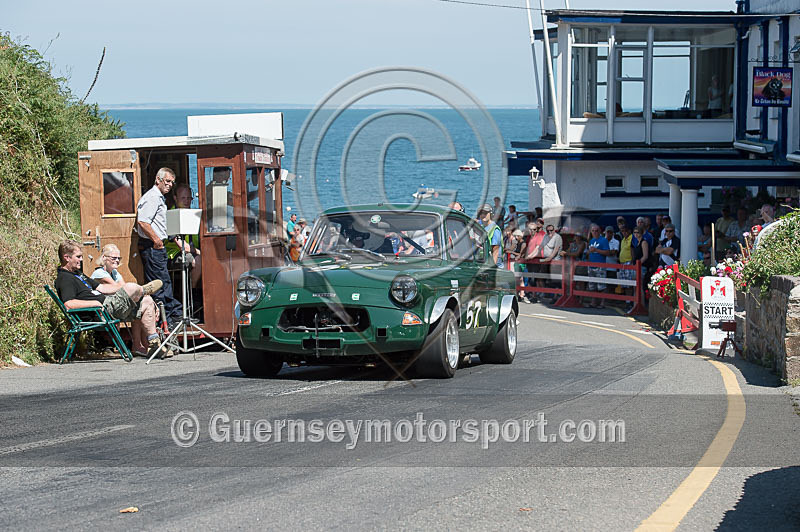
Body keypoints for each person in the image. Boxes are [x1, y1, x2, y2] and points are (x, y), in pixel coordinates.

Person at [56, 240, 166, 358]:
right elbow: (69, 304)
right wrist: (94, 303)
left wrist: (125, 289)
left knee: (147, 301)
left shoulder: (78, 274)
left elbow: (102, 287)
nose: (81, 260)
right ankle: (141, 290)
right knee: (130, 287)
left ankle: (154, 343)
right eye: (78, 257)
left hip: (108, 307)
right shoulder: (65, 278)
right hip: (101, 311)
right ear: (66, 257)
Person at [90, 243, 163, 356]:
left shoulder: (115, 273)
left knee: (146, 302)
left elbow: (125, 292)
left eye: (119, 258)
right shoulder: (99, 273)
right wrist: (135, 290)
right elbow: (120, 289)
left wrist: (147, 298)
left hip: (117, 306)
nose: (117, 261)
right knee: (134, 295)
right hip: (104, 309)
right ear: (104, 258)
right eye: (114, 258)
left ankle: (148, 344)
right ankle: (143, 290)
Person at [136, 167, 182, 329]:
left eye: (172, 183)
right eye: (167, 181)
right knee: (161, 285)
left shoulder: (159, 198)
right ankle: (168, 321)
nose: (170, 185)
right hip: (153, 247)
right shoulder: (152, 197)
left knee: (165, 282)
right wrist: (157, 241)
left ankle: (172, 316)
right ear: (158, 180)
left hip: (157, 247)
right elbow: (142, 222)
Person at [166, 183, 202, 287]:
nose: (186, 201)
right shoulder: (171, 216)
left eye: (189, 198)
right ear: (175, 198)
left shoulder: (192, 214)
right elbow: (183, 246)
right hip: (173, 253)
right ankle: (196, 294)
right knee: (198, 259)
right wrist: (201, 252)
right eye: (183, 198)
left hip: (192, 249)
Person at [585, 224, 610, 308]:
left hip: (600, 266)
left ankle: (602, 303)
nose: (595, 232)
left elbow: (607, 252)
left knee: (602, 285)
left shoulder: (604, 240)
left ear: (600, 231)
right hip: (591, 266)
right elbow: (589, 252)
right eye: (593, 231)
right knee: (592, 285)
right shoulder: (591, 240)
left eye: (596, 231)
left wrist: (596, 250)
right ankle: (593, 302)